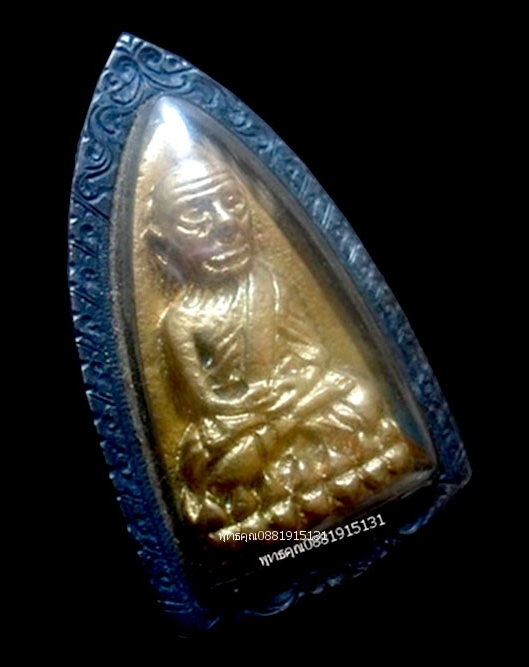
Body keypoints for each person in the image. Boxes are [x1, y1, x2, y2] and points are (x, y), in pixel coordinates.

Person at [145, 146, 425, 545]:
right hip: (242, 422)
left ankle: (274, 495)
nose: (226, 224)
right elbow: (204, 400)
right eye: (196, 215)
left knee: (359, 394)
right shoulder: (181, 321)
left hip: (292, 400)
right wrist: (255, 406)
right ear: (162, 247)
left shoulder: (269, 282)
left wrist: (292, 391)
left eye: (232, 203)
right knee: (209, 463)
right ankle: (273, 498)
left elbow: (313, 353)